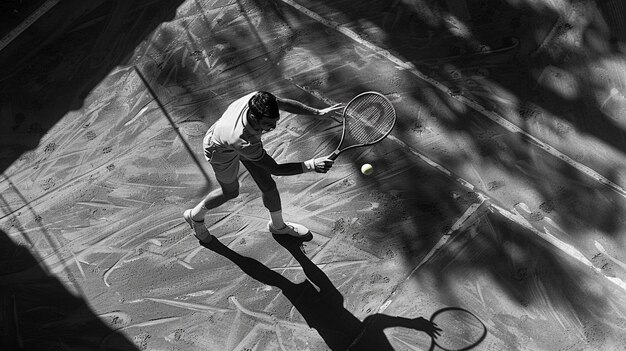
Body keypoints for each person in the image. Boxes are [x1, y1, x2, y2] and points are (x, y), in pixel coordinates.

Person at [184, 91, 343, 243]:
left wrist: (318, 113)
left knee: (268, 186)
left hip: (230, 137)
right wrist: (312, 165)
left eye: (275, 121)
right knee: (231, 192)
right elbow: (275, 169)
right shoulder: (245, 141)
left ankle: (278, 226)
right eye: (267, 124)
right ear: (253, 116)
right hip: (220, 151)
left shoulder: (258, 99)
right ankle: (195, 216)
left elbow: (284, 104)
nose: (272, 126)